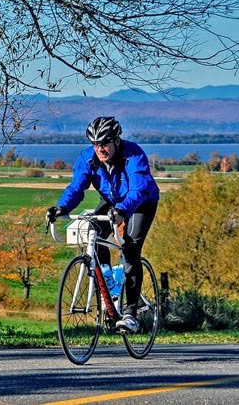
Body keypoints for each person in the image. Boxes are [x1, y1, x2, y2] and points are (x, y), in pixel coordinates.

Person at [47, 116, 159, 334]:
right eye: (95, 144)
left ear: (117, 141)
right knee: (93, 233)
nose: (100, 148)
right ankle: (108, 286)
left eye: (105, 143)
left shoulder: (134, 155)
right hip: (112, 201)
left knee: (130, 249)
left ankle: (130, 313)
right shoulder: (87, 159)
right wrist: (62, 208)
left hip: (141, 202)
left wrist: (122, 212)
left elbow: (138, 189)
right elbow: (76, 188)